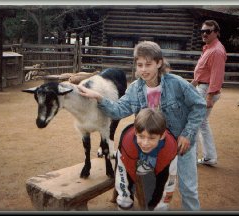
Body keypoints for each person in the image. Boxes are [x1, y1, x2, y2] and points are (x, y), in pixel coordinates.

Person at [77, 40, 206, 210]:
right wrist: (99, 98)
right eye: (140, 65)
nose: (143, 69)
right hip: (152, 145)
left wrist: (187, 134)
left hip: (181, 144)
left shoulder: (177, 83)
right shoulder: (135, 89)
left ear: (159, 63)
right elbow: (118, 110)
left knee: (188, 189)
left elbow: (200, 105)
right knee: (155, 191)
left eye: (148, 64)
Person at [115, 108, 178, 211]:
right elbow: (122, 175)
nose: (145, 143)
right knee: (124, 199)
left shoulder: (170, 149)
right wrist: (124, 202)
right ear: (135, 132)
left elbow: (169, 182)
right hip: (131, 162)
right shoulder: (126, 144)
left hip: (156, 166)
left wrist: (160, 206)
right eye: (141, 136)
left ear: (162, 136)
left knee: (158, 198)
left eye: (152, 138)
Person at [191, 20, 227, 166]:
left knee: (193, 121)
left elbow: (216, 75)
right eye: (202, 31)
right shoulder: (209, 48)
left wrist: (209, 97)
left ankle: (191, 158)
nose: (204, 34)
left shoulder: (216, 51)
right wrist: (193, 83)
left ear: (216, 32)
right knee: (201, 123)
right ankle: (209, 157)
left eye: (208, 31)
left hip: (206, 90)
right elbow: (204, 71)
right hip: (202, 87)